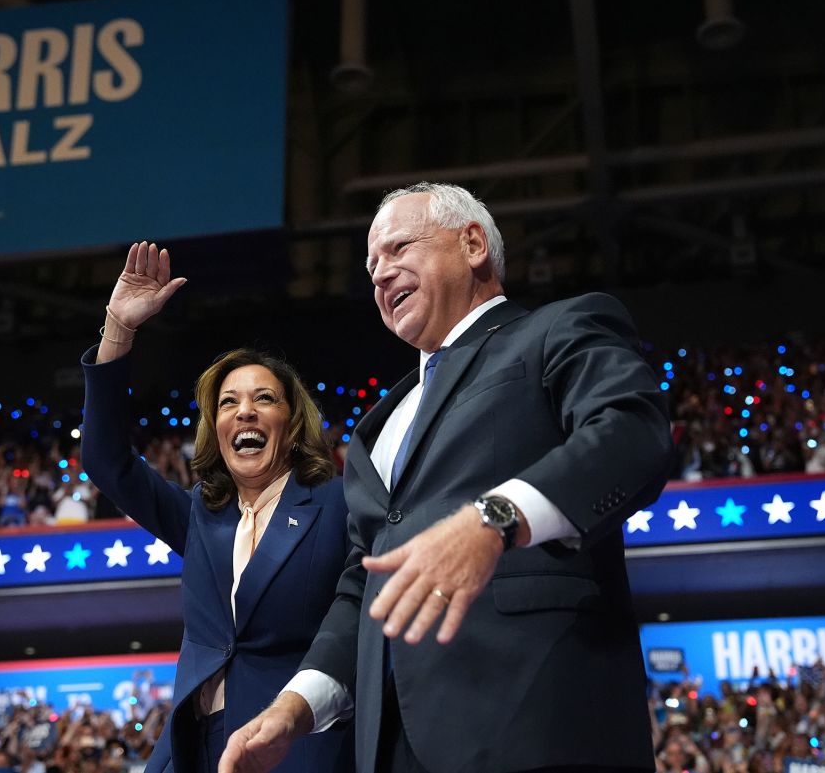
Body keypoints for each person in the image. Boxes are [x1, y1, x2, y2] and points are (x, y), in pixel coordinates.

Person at [221, 183, 674, 773]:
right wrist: (296, 706)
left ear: (473, 244)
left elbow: (632, 432)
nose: (380, 275)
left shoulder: (556, 329)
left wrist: (493, 520)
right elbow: (365, 584)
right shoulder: (374, 429)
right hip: (391, 747)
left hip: (534, 727)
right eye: (371, 265)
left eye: (399, 248)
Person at [81, 242, 354, 773]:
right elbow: (106, 460)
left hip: (292, 749)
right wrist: (119, 329)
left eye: (264, 399)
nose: (244, 410)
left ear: (292, 423)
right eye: (228, 402)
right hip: (191, 749)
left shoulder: (337, 504)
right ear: (216, 427)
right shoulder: (199, 516)